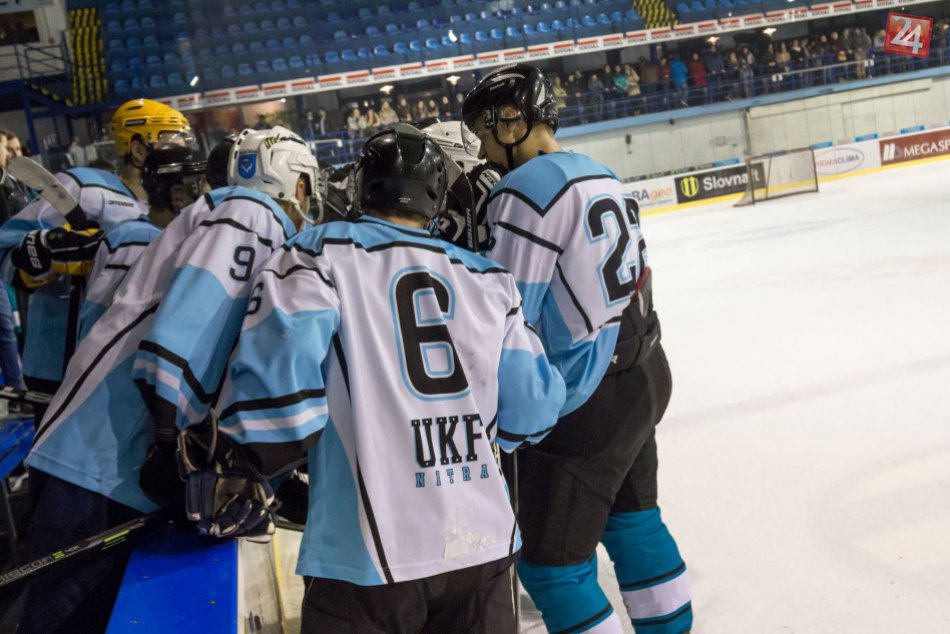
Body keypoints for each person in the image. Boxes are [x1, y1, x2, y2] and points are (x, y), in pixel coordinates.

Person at [211, 122, 565, 632]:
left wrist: (243, 465)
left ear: (360, 187)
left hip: (365, 557)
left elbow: (276, 398)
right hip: (481, 544)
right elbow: (534, 409)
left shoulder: (316, 255)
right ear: (438, 200)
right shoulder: (489, 278)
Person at [20, 127, 316, 632]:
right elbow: (184, 334)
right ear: (296, 182)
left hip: (100, 451)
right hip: (106, 459)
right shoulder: (251, 214)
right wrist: (166, 442)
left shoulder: (224, 216)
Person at [462, 64, 692, 634]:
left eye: (486, 133)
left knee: (552, 569)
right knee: (635, 524)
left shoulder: (522, 192)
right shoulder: (599, 171)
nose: (484, 150)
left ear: (511, 122)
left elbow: (508, 311)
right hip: (643, 375)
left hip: (583, 401)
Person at [78, 144, 208, 339]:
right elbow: (97, 323)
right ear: (178, 195)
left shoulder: (156, 235)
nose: (208, 199)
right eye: (200, 187)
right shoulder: (136, 240)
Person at [109, 98, 193, 201]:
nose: (181, 157)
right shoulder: (109, 198)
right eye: (170, 148)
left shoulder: (178, 190)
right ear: (137, 151)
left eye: (181, 149)